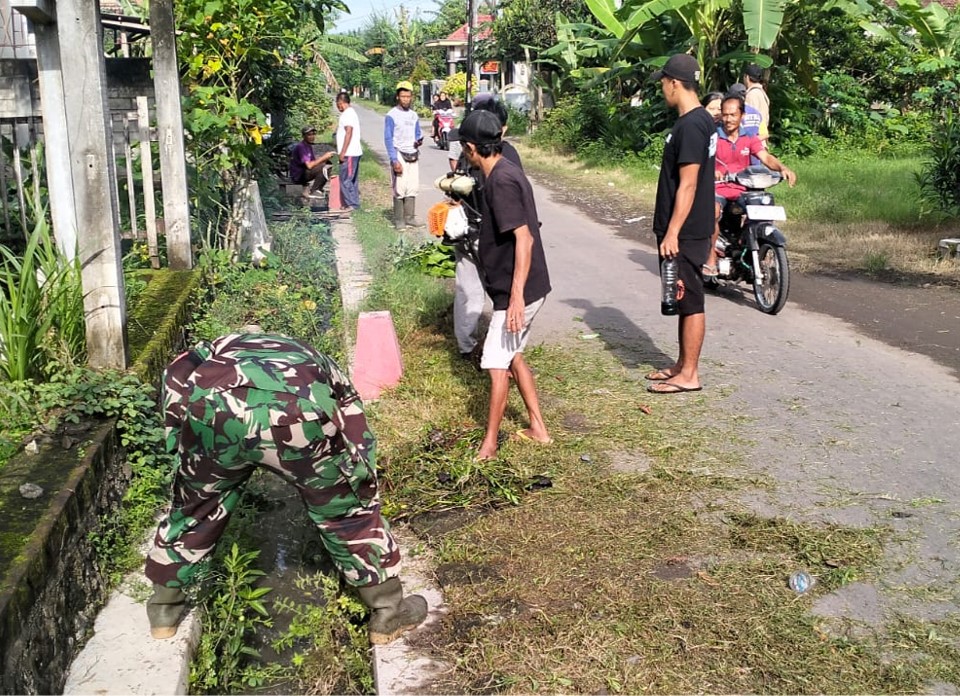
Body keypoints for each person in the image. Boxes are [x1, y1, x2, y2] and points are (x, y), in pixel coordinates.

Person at [143, 333, 428, 646]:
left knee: (196, 511)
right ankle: (388, 611)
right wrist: (359, 483)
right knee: (345, 513)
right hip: (297, 412)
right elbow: (352, 422)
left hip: (212, 410)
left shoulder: (205, 353)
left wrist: (184, 457)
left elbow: (175, 387)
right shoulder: (311, 356)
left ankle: (164, 611)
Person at [454, 110, 552, 459]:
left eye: (463, 149)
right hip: (525, 288)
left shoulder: (501, 182)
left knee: (496, 365)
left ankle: (490, 445)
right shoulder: (504, 170)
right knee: (513, 357)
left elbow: (524, 240)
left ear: (471, 148)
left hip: (519, 292)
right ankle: (538, 428)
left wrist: (514, 301)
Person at [646, 53, 716, 395]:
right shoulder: (701, 120)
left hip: (685, 232)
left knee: (690, 300)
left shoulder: (690, 125)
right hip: (689, 227)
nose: (662, 89)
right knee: (682, 297)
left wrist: (672, 231)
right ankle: (681, 364)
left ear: (675, 83)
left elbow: (688, 183)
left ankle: (690, 374)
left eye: (663, 83)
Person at [445, 96, 523, 365]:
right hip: (470, 232)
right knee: (471, 291)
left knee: (489, 293)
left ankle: (499, 351)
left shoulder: (502, 162)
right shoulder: (479, 155)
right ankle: (478, 348)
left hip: (487, 235)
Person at [702, 93, 797, 277]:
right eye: (725, 114)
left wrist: (783, 168)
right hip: (718, 188)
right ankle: (711, 257)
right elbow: (702, 159)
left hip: (742, 189)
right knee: (712, 211)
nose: (728, 119)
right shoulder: (712, 135)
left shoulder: (750, 137)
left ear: (742, 115)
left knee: (764, 205)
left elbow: (765, 157)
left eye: (733, 115)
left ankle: (756, 248)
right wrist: (711, 171)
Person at [384, 81, 425, 230]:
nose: (406, 99)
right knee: (399, 188)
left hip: (413, 154)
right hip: (399, 153)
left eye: (408, 96)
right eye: (403, 96)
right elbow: (388, 138)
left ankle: (410, 217)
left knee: (412, 186)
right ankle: (399, 220)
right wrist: (394, 159)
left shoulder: (414, 115)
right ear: (397, 97)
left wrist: (418, 140)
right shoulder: (391, 115)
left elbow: (417, 133)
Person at [289, 126, 336, 204]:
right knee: (324, 167)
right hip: (298, 175)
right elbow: (310, 166)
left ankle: (318, 189)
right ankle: (315, 190)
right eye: (309, 135)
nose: (312, 137)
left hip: (305, 172)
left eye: (313, 134)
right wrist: (324, 157)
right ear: (304, 136)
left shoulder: (308, 146)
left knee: (327, 164)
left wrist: (326, 160)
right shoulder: (301, 147)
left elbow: (314, 162)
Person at [336, 92, 363, 210]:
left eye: (338, 105)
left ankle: (352, 204)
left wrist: (343, 152)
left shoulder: (347, 114)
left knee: (346, 179)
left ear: (341, 103)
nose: (338, 107)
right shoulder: (351, 113)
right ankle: (352, 202)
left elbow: (349, 132)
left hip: (349, 153)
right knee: (351, 179)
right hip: (353, 152)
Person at [743, 65, 770, 143]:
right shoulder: (761, 93)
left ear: (747, 77)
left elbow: (749, 120)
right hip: (762, 136)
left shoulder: (751, 95)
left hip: (755, 139)